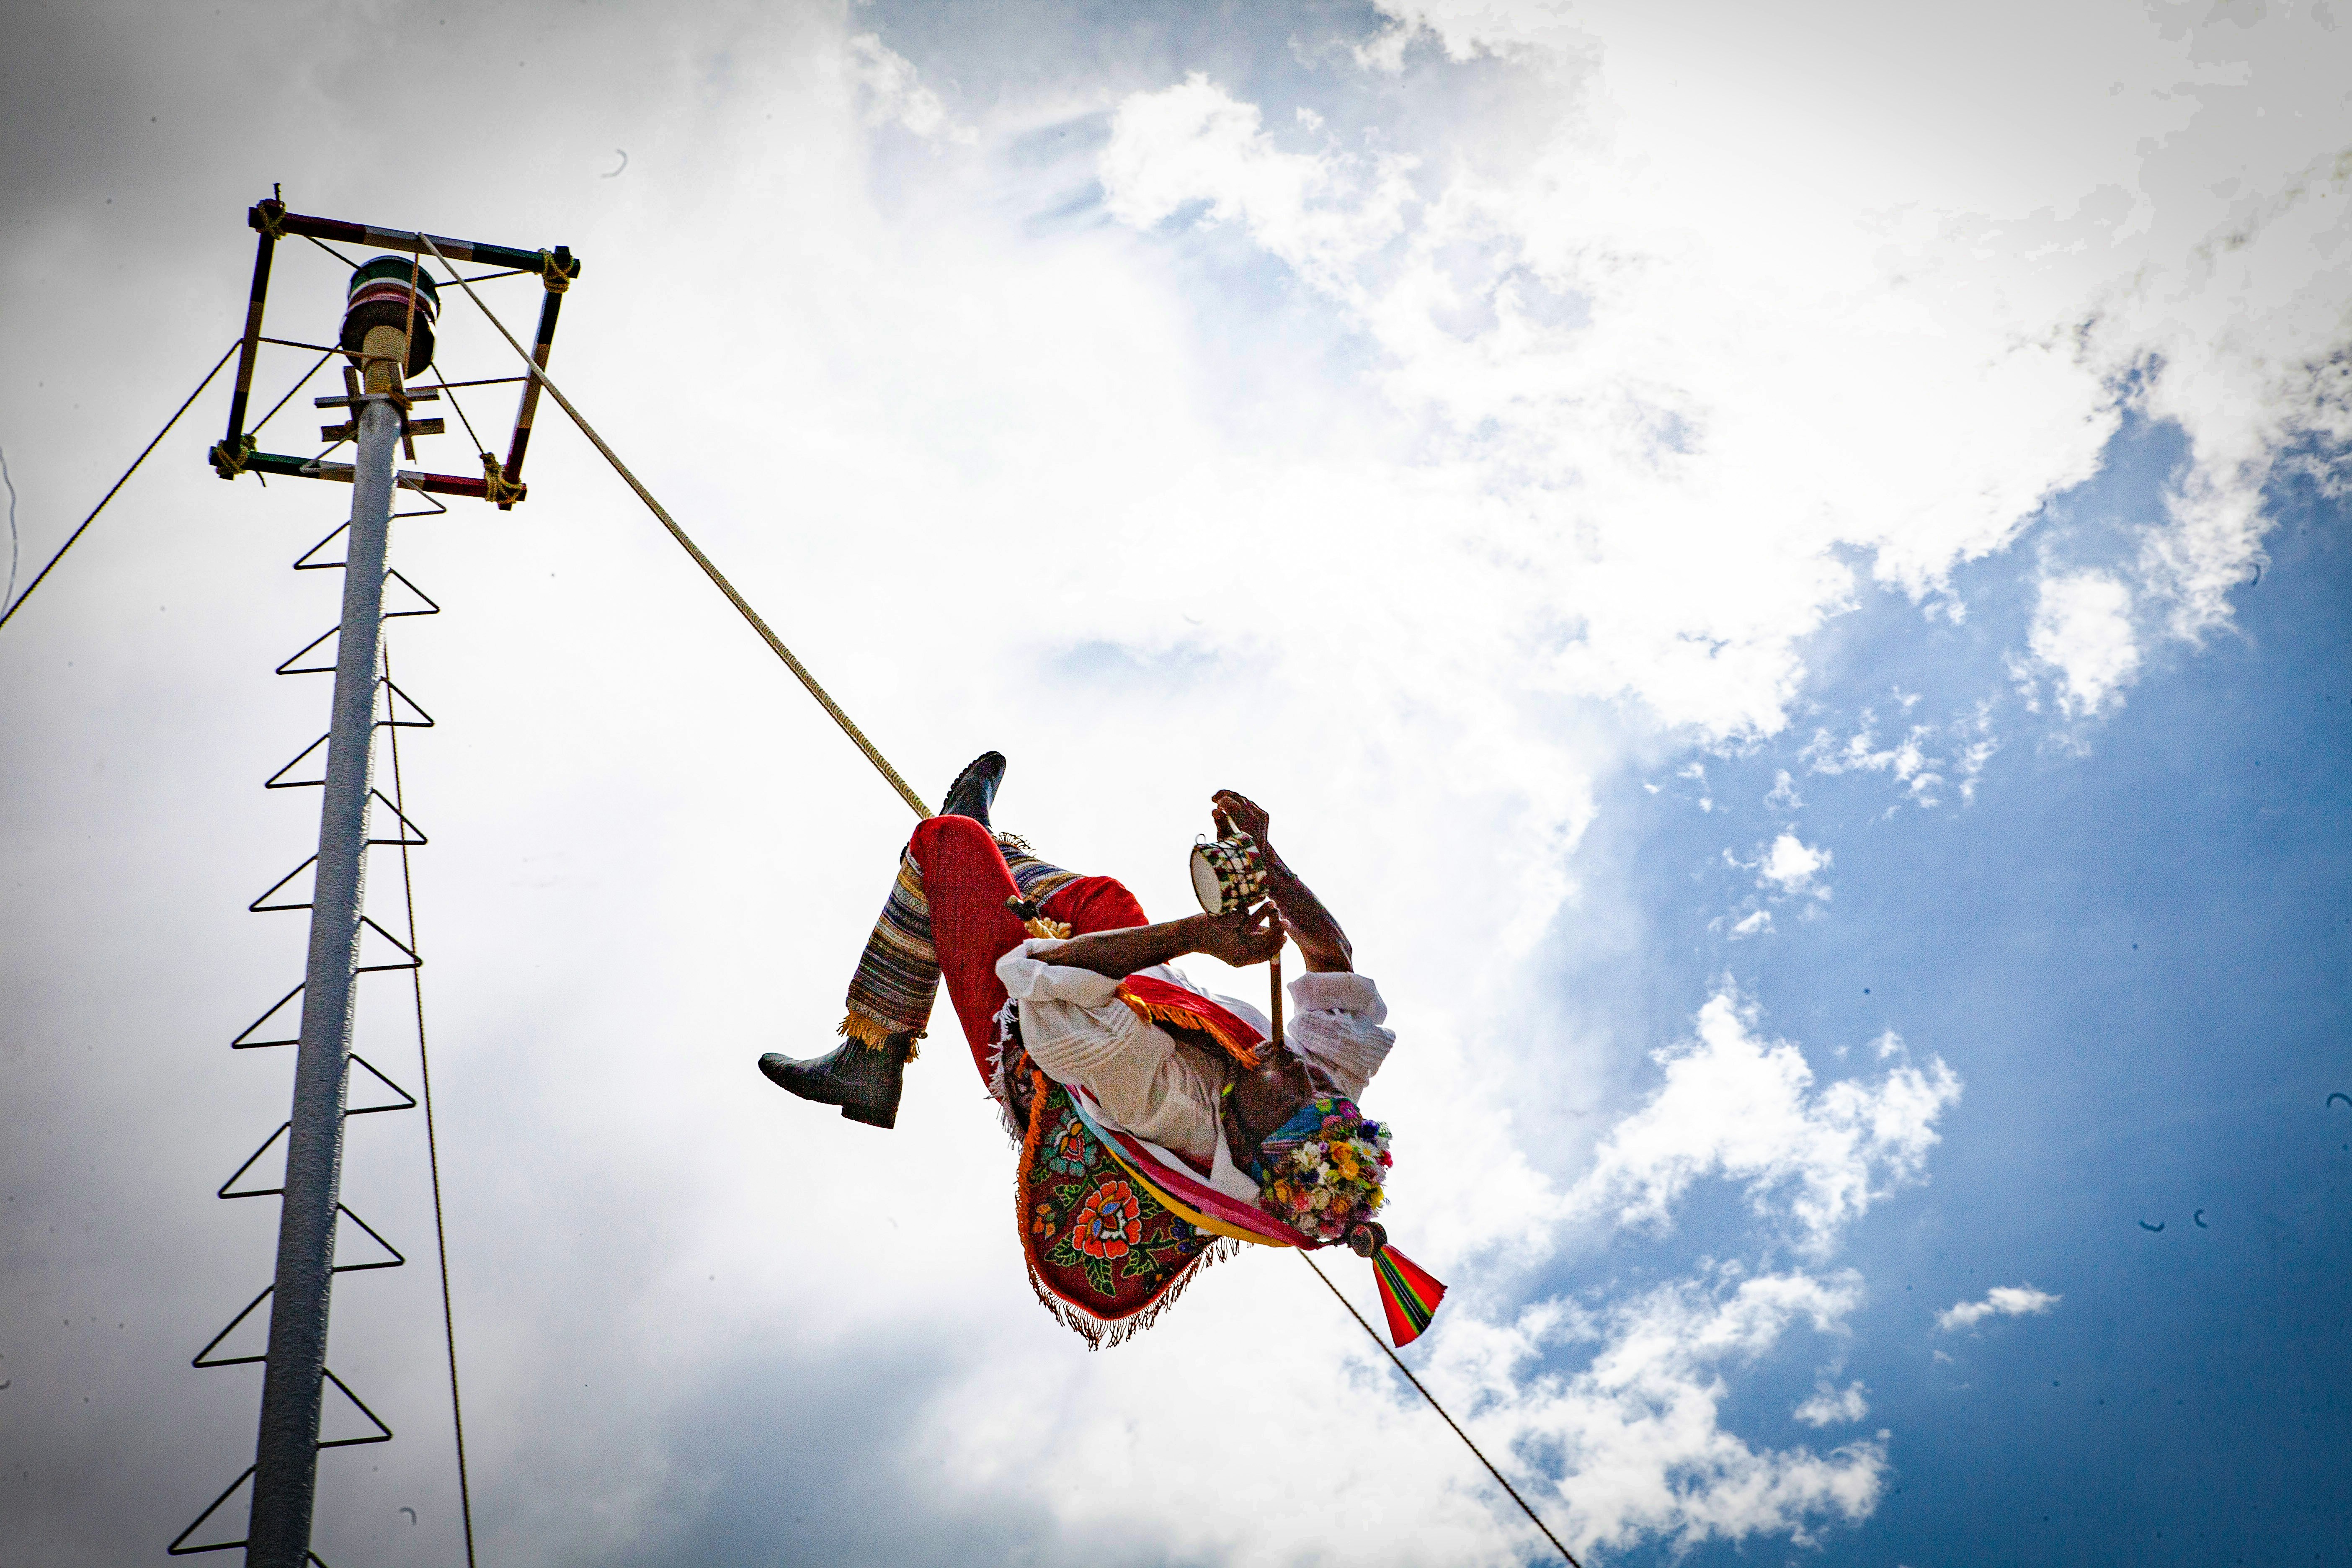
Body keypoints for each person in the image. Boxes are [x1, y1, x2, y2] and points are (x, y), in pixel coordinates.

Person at [759, 752, 1397, 1245]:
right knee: (1108, 904)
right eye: (1316, 1084)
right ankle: (988, 865)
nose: (1294, 1067)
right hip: (1135, 1003)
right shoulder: (1321, 1098)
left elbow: (1048, 973)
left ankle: (874, 1050)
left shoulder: (1169, 1111)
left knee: (943, 847)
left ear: (1251, 1142)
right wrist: (1269, 861)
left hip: (1033, 1033)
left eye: (1290, 1090)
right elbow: (1334, 958)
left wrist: (1201, 935)